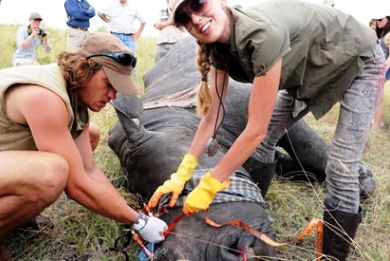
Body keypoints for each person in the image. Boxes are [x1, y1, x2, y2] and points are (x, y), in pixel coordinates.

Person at [148, 0, 385, 260]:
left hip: (354, 56)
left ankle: (332, 257)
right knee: (264, 143)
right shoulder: (217, 49)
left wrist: (210, 184)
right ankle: (254, 215)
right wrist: (181, 175)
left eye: (198, 4)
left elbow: (255, 130)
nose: (195, 18)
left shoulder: (261, 35)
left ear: (220, 2)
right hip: (305, 71)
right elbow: (212, 117)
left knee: (341, 168)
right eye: (183, 17)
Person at [0, 32, 167, 243]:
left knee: (90, 135)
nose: (113, 96)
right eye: (108, 83)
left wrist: (133, 214)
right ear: (85, 68)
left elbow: (88, 170)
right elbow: (76, 185)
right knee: (52, 172)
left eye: (117, 89)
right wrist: (139, 222)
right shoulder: (45, 98)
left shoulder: (77, 100)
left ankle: (15, 217)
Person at [372, 11, 390, 130]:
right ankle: (376, 122)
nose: (377, 22)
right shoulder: (381, 33)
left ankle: (376, 127)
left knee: (378, 97)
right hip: (379, 67)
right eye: (376, 19)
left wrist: (383, 70)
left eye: (380, 19)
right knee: (374, 95)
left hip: (385, 68)